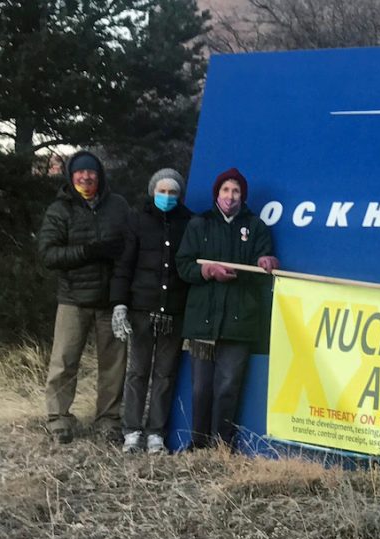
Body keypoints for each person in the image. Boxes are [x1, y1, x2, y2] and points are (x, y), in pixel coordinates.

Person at [176, 168, 278, 449]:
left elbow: (264, 260)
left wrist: (267, 262)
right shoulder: (199, 224)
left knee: (228, 387)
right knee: (200, 388)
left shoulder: (255, 226)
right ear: (217, 194)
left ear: (242, 196)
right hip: (203, 321)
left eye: (235, 191)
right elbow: (183, 265)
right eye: (225, 190)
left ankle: (222, 446)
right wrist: (207, 271)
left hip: (239, 321)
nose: (230, 196)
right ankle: (198, 445)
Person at [38, 150, 130, 444]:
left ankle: (108, 419)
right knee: (64, 360)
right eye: (80, 172)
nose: (86, 177)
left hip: (110, 299)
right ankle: (59, 418)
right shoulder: (59, 209)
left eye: (91, 172)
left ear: (99, 175)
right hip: (73, 298)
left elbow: (130, 246)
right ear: (71, 175)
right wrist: (87, 251)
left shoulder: (118, 206)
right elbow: (48, 254)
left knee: (113, 364)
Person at [110, 169, 194, 454]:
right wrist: (120, 303)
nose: (167, 196)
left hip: (174, 309)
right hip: (141, 308)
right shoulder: (136, 221)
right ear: (152, 191)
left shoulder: (189, 222)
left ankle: (156, 432)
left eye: (173, 192)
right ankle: (132, 430)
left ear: (179, 195)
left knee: (165, 374)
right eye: (162, 191)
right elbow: (124, 266)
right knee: (137, 371)